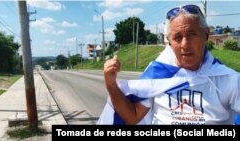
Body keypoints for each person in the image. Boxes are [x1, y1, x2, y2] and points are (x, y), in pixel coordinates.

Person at [98, 4, 240, 125]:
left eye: (191, 34)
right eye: (178, 37)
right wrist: (111, 84)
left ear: (206, 35)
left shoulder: (228, 79)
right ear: (169, 41)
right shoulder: (157, 74)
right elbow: (132, 117)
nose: (185, 44)